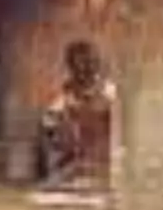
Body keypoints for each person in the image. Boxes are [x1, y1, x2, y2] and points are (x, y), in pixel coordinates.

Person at [36, 41, 117, 189]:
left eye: (90, 63)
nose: (85, 69)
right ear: (71, 68)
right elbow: (49, 134)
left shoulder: (110, 94)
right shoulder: (63, 100)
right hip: (75, 170)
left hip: (106, 169)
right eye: (80, 64)